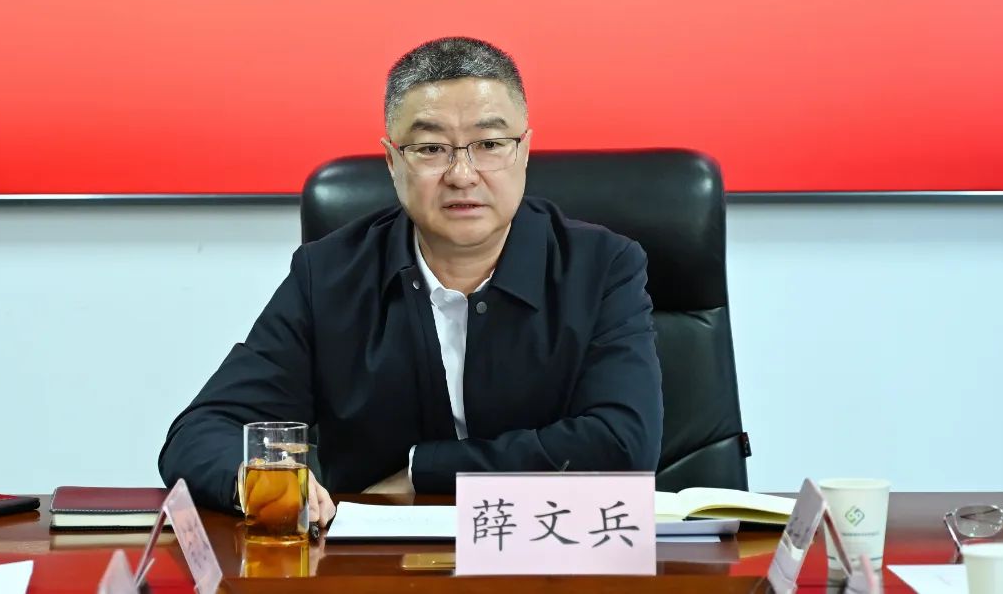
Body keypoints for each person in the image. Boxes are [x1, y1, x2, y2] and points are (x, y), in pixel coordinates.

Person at [158, 37, 661, 527]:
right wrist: (263, 484)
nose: (462, 174)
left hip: (550, 551)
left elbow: (623, 443)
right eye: (430, 148)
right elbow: (201, 432)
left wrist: (425, 472)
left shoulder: (601, 267)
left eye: (489, 144)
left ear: (524, 150)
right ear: (393, 160)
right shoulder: (328, 275)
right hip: (374, 562)